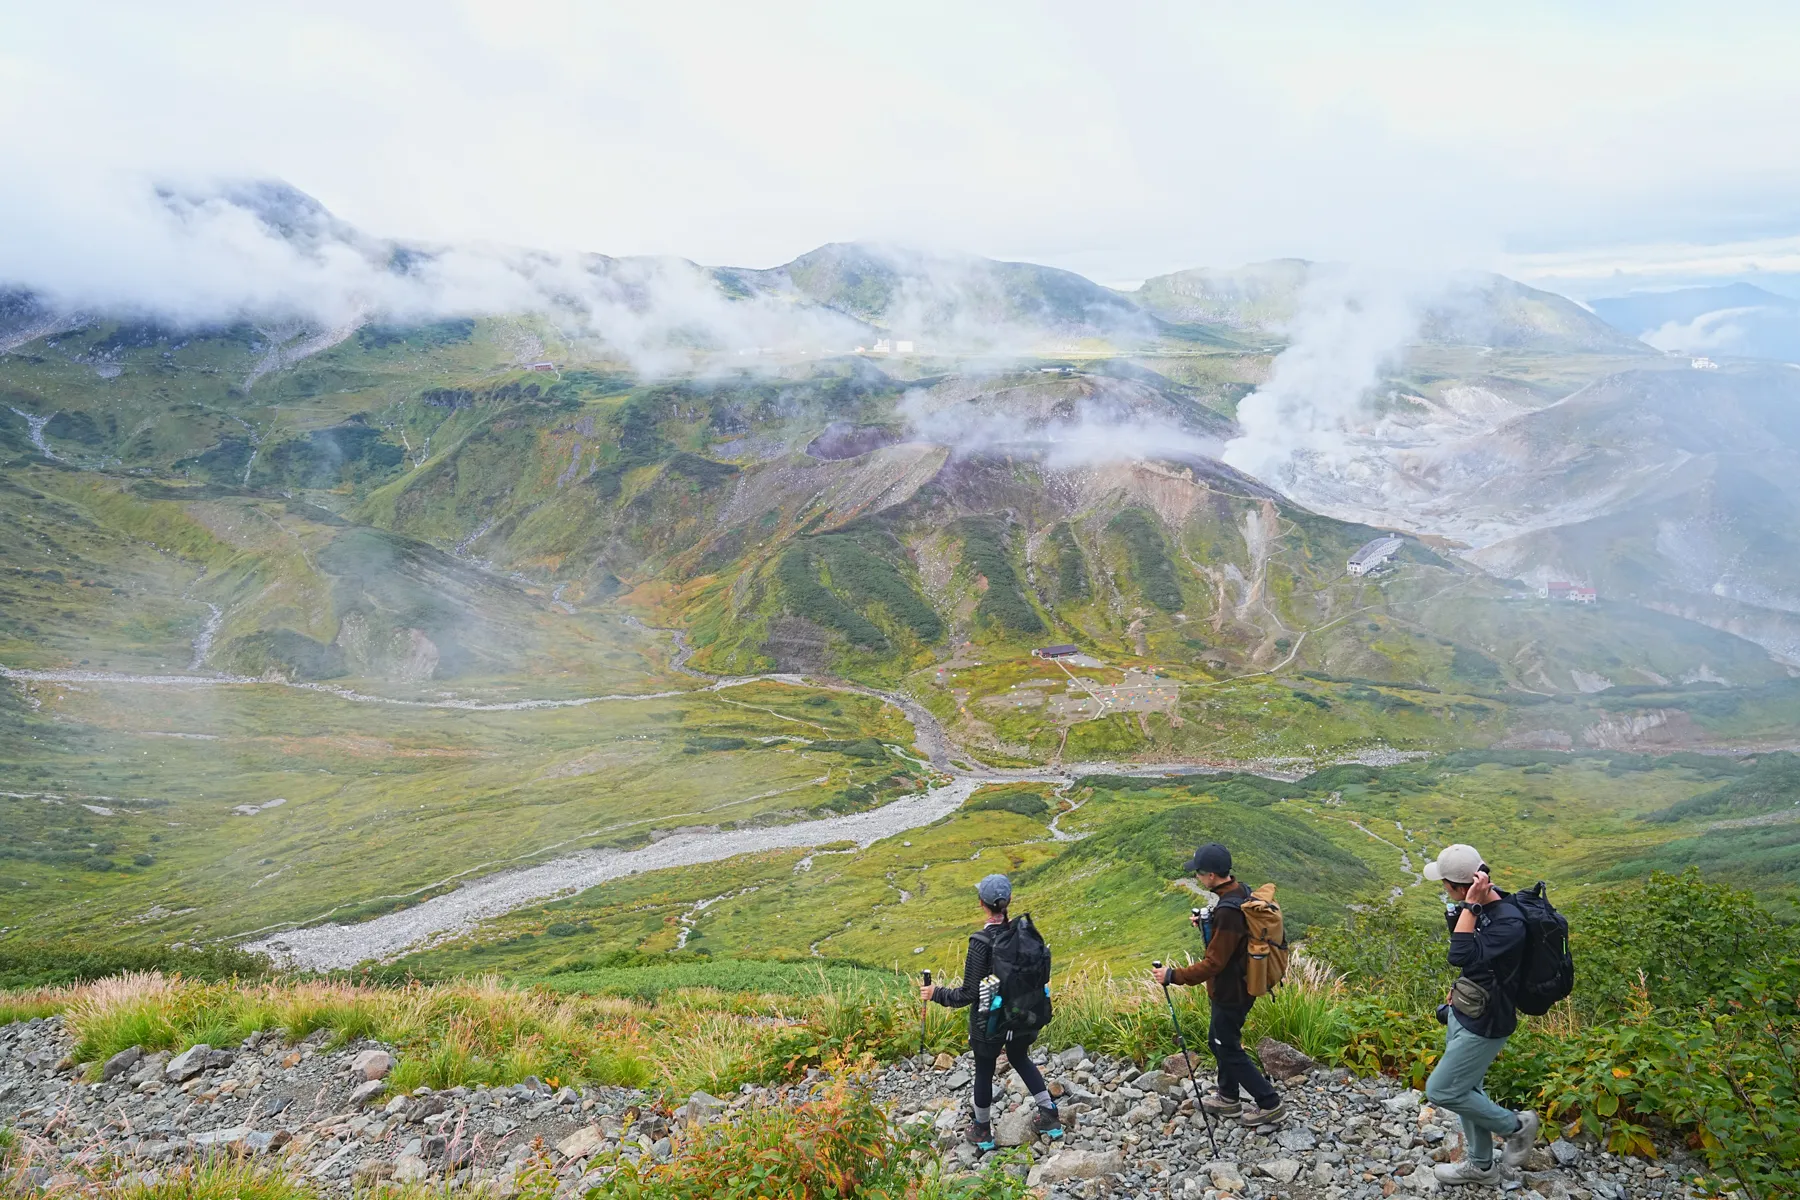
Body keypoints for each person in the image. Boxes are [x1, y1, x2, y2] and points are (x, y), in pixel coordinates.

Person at [1421, 843, 1541, 1185]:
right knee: (1467, 1088)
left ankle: (1517, 1127)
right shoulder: (1481, 907)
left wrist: (1470, 905)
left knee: (1442, 1090)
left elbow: (1459, 954)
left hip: (1487, 1021)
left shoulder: (1509, 921)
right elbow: (1475, 962)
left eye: (1446, 884)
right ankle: (1481, 1166)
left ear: (1463, 887)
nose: (1443, 889)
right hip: (1465, 1009)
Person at [921, 874, 1062, 1151]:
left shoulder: (981, 942)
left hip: (990, 1022)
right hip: (1025, 1017)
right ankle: (1049, 1115)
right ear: (1008, 902)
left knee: (984, 1069)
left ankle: (982, 1131)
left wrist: (935, 993)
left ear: (981, 904)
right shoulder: (1025, 934)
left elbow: (967, 994)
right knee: (1019, 1056)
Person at [1152, 842, 1286, 1125]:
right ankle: (1228, 1097)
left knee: (1226, 1046)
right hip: (1236, 985)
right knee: (1220, 1040)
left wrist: (1173, 976)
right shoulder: (1239, 891)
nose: (1198, 878)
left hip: (1231, 990)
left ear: (1211, 875)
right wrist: (1206, 921)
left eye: (1199, 874)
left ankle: (1269, 1102)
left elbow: (1215, 963)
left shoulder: (1228, 911)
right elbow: (1233, 936)